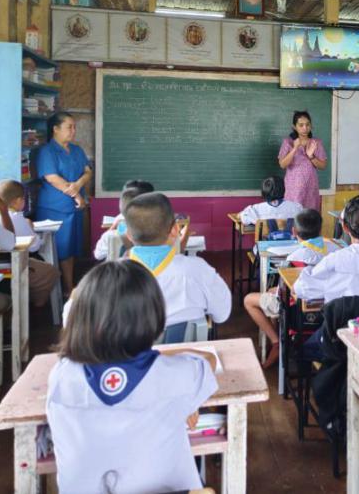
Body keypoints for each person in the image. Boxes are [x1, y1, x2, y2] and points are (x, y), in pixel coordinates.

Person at [47, 260, 220, 493]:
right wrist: (160, 358)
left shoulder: (62, 375)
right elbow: (208, 360)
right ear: (154, 318)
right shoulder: (174, 374)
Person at [244, 208, 340, 368]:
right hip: (330, 309)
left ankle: (276, 342)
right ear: (320, 229)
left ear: (294, 231)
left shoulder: (295, 257)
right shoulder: (336, 250)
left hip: (297, 312)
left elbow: (283, 293)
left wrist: (275, 290)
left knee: (249, 300)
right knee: (274, 294)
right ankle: (283, 338)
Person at [123, 193, 231, 329]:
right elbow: (222, 315)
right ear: (175, 230)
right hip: (189, 343)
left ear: (129, 235)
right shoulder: (198, 270)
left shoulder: (110, 276)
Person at [35, 111, 92, 296]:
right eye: (69, 127)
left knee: (72, 250)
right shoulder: (47, 151)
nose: (73, 131)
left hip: (74, 209)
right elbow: (52, 178)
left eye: (74, 127)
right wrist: (76, 195)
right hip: (55, 209)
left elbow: (87, 171)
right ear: (55, 129)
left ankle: (68, 287)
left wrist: (78, 185)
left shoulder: (76, 150)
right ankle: (59, 290)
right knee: (59, 250)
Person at [0, 179, 60, 308]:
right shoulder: (17, 218)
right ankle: (37, 305)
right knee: (51, 272)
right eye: (23, 199)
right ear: (18, 201)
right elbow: (34, 246)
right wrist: (30, 227)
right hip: (14, 266)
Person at [277, 110, 327, 211]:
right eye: (301, 125)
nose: (305, 128)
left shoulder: (316, 143)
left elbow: (323, 166)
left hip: (311, 188)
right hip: (293, 190)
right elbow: (282, 164)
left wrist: (311, 156)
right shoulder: (288, 142)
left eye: (307, 124)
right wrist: (295, 148)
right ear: (294, 127)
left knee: (310, 217)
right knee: (293, 215)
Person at [94, 182, 153, 261]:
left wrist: (111, 229)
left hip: (118, 269)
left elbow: (98, 255)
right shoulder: (158, 233)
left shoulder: (110, 235)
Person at [239, 175, 303, 226]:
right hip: (291, 239)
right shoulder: (296, 207)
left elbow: (244, 218)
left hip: (265, 239)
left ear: (264, 191)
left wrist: (241, 214)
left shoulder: (255, 210)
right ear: (283, 189)